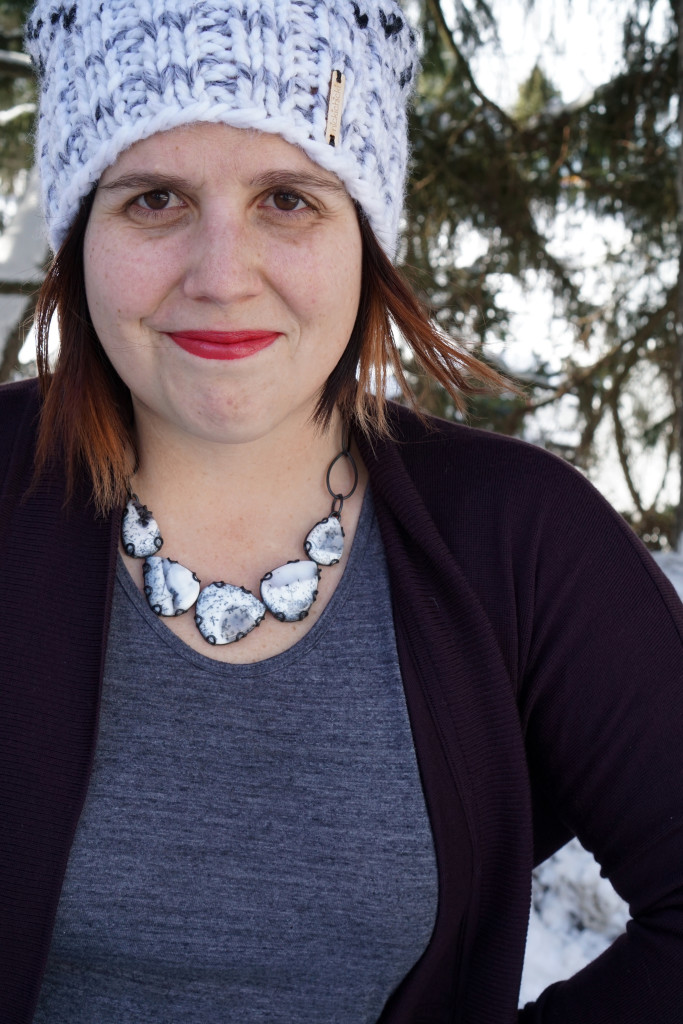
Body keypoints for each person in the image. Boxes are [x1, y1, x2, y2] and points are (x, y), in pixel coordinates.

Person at [1, 0, 682, 1021]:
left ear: (364, 233)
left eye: (286, 198)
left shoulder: (520, 539)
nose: (222, 276)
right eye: (153, 200)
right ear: (79, 232)